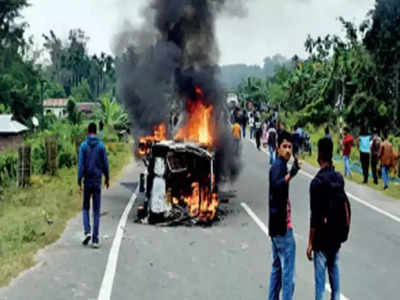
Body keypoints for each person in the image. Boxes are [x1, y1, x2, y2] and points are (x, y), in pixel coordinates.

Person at [307, 137, 350, 300]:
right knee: (335, 285)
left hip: (321, 241)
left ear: (319, 155)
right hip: (336, 238)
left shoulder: (316, 183)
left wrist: (310, 243)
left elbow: (315, 216)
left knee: (320, 287)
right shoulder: (339, 178)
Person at [268, 131, 301, 300]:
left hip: (276, 227)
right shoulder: (277, 167)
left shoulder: (281, 165)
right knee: (289, 278)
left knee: (277, 271)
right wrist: (291, 175)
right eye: (284, 147)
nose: (288, 150)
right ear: (277, 148)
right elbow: (276, 185)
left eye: (290, 147)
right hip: (282, 229)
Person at [78, 122, 110, 248]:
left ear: (88, 131)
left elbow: (80, 165)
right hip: (97, 181)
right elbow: (105, 164)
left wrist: (78, 181)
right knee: (96, 211)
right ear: (96, 132)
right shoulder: (101, 146)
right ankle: (95, 240)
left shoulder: (83, 146)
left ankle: (87, 231)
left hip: (87, 181)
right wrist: (107, 178)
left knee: (85, 207)